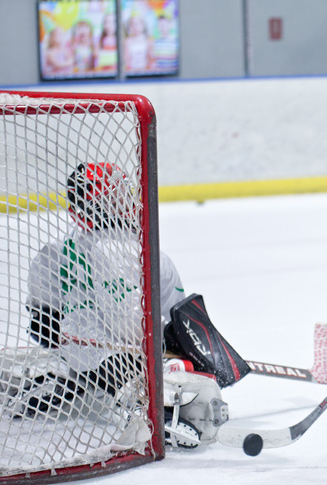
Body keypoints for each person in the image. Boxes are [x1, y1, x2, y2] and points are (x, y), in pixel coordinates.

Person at [15, 163, 247, 448]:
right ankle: (152, 415)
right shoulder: (120, 250)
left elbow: (43, 302)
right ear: (94, 206)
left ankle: (70, 384)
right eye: (115, 196)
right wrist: (173, 344)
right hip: (109, 355)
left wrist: (43, 315)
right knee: (158, 380)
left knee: (151, 369)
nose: (127, 201)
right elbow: (132, 323)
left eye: (125, 193)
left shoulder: (62, 248)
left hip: (82, 353)